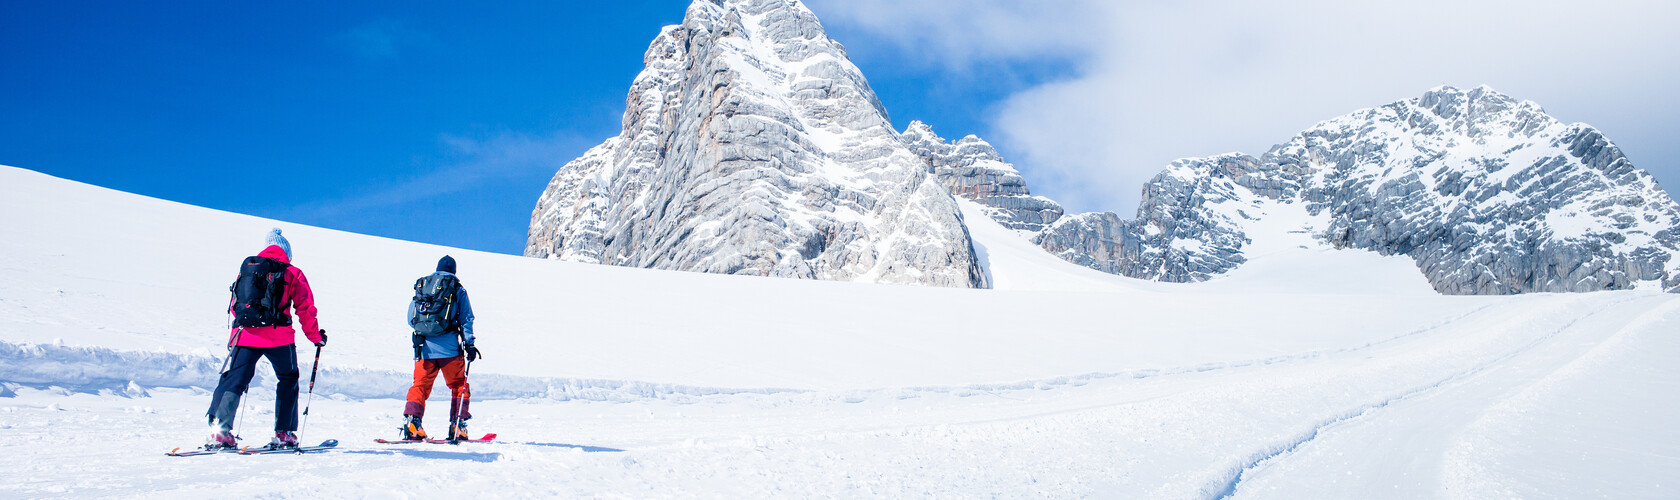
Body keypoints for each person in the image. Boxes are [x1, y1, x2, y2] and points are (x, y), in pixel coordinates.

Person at [206, 228, 325, 449]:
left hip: (245, 334)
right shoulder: (292, 272)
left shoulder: (247, 270)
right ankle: (283, 433)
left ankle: (220, 431)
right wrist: (316, 337)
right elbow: (305, 308)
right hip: (279, 337)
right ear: (286, 252)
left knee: (235, 379)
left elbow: (235, 305)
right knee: (288, 379)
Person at [400, 255, 480, 441]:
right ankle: (457, 426)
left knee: (420, 385)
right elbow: (466, 318)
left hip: (424, 349)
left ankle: (413, 422)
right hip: (450, 350)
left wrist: (426, 331)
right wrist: (470, 343)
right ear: (454, 271)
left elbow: (411, 317)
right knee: (458, 385)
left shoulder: (424, 286)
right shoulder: (457, 288)